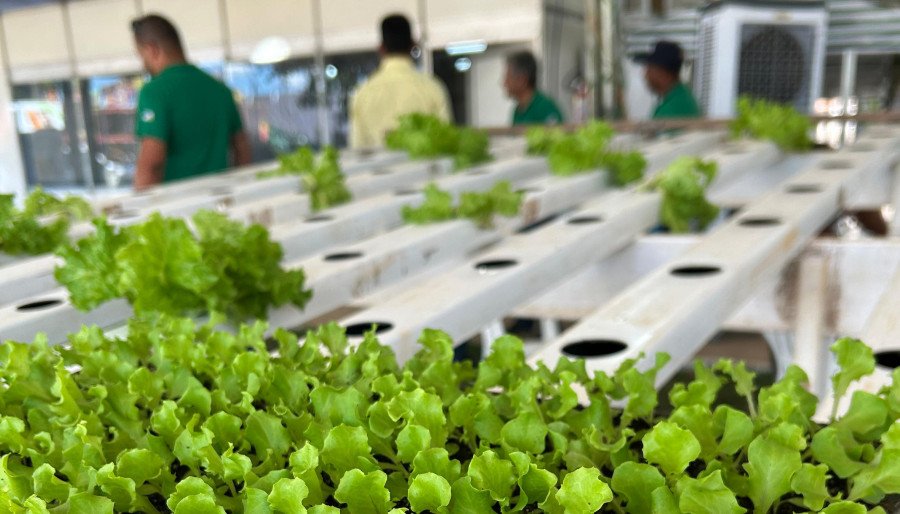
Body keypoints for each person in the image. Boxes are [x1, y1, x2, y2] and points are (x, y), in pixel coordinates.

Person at [131, 14, 250, 189]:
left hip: (176, 206)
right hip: (220, 202)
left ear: (152, 50)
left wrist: (141, 208)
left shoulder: (154, 92)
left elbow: (151, 164)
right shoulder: (220, 90)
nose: (143, 64)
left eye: (141, 56)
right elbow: (242, 149)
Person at [350, 14, 451, 149]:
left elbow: (358, 149)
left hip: (379, 169)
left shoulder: (362, 93)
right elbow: (447, 143)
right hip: (425, 169)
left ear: (381, 48)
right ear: (413, 45)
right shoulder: (432, 88)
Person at [636, 41, 701, 119]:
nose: (645, 75)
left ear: (662, 73)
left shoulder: (671, 109)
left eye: (649, 69)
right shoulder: (682, 96)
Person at [504, 51, 565, 126]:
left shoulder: (545, 107)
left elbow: (557, 135)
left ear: (522, 80)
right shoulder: (517, 111)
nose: (504, 83)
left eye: (508, 77)